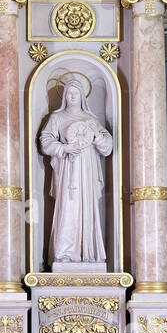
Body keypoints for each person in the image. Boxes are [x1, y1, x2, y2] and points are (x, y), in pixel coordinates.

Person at [39, 75, 113, 265]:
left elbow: (107, 147)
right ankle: (64, 254)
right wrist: (64, 148)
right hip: (68, 170)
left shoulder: (91, 119)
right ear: (64, 97)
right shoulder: (57, 118)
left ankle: (88, 253)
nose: (72, 96)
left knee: (87, 209)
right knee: (68, 208)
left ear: (82, 96)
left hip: (87, 170)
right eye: (69, 93)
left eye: (75, 93)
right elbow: (45, 142)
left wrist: (97, 136)